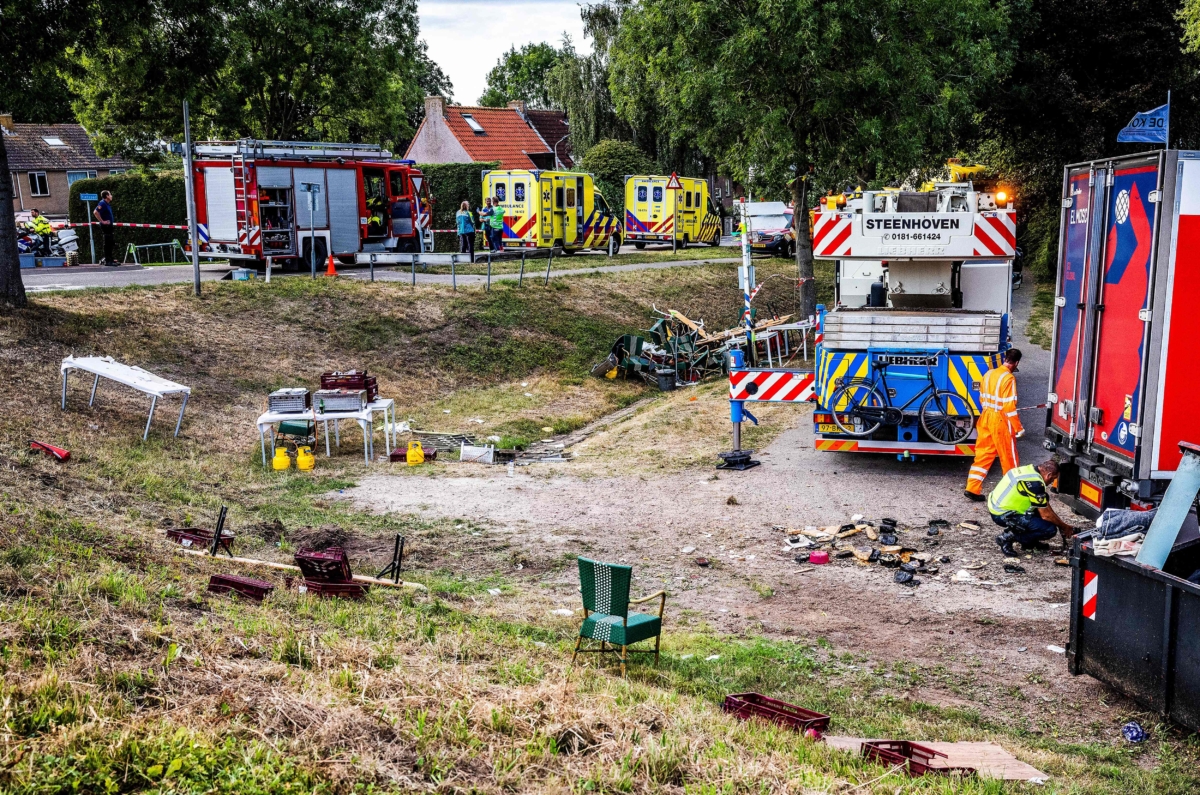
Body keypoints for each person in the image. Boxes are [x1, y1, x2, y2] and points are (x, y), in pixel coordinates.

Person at [965, 348, 1024, 501]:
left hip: (985, 416)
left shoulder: (989, 373)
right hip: (1000, 420)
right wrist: (1019, 428)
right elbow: (1009, 407)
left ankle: (972, 488)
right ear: (1016, 363)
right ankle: (1012, 494)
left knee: (983, 455)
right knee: (1008, 457)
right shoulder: (1009, 379)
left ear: (1005, 359)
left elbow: (981, 397)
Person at [988, 459, 1077, 556]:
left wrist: (1060, 523)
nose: (1051, 482)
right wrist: (1064, 527)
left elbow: (1045, 505)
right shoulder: (1035, 484)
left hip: (997, 505)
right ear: (1049, 475)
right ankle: (1007, 537)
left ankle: (1029, 543)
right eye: (1052, 479)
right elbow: (1046, 515)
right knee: (1049, 529)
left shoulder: (1028, 469)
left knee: (1044, 498)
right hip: (1002, 514)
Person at [93, 190, 116, 266]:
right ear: (106, 196)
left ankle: (110, 259)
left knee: (111, 242)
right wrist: (102, 221)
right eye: (110, 194)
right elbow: (96, 212)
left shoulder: (107, 204)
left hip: (109, 226)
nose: (111, 196)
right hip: (106, 226)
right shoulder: (102, 203)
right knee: (107, 243)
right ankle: (108, 260)